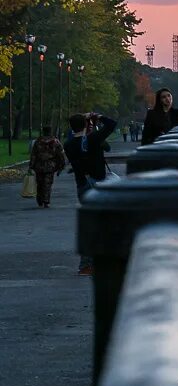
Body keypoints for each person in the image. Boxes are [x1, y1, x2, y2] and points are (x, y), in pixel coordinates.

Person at [65, 112, 118, 275]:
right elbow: (112, 124)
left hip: (82, 185)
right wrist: (99, 116)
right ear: (85, 123)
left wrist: (85, 122)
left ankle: (87, 264)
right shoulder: (93, 139)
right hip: (98, 185)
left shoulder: (68, 144)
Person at [28, 126, 66, 209]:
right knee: (47, 184)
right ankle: (46, 201)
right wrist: (61, 165)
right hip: (50, 165)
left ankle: (40, 200)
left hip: (39, 166)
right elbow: (60, 154)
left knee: (40, 183)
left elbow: (34, 154)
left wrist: (31, 166)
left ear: (43, 131)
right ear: (50, 131)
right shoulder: (55, 141)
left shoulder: (38, 141)